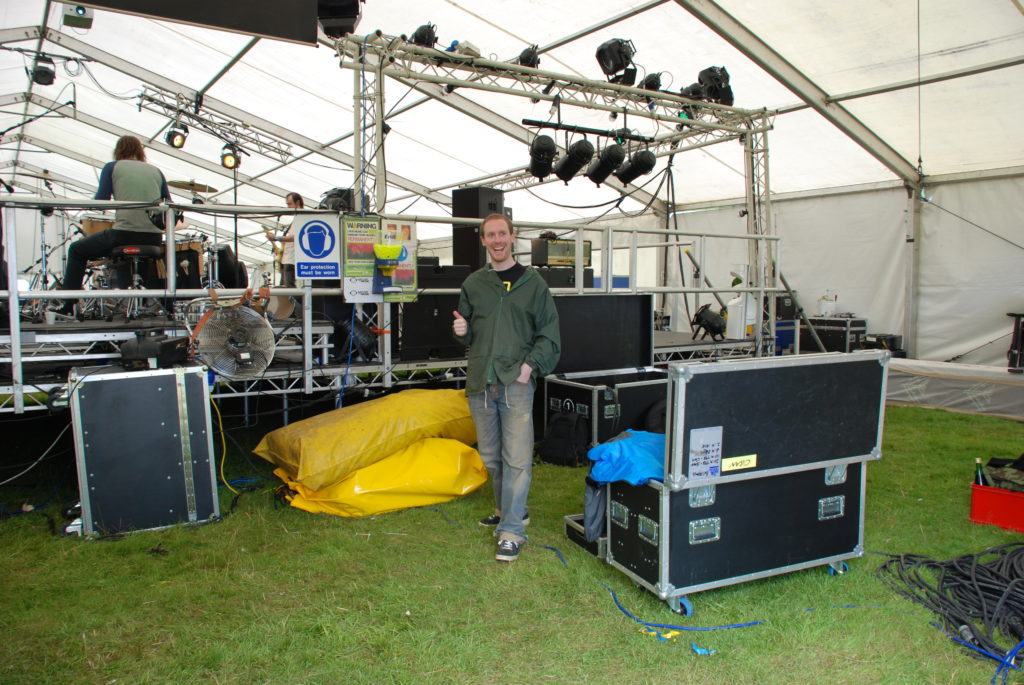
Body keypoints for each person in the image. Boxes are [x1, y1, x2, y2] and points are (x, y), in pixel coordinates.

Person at [452, 213, 560, 562]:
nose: (497, 240)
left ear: (512, 237)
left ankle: (512, 530)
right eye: (490, 235)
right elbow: (467, 330)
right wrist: (461, 332)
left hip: (515, 382)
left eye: (502, 234)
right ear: (483, 241)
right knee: (491, 458)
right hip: (481, 381)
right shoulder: (474, 284)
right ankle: (506, 509)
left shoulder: (534, 285)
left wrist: (528, 368)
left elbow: (550, 335)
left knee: (516, 458)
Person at [58, 135, 171, 315]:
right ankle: (170, 307)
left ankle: (68, 305)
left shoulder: (112, 167)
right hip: (153, 237)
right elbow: (168, 204)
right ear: (140, 152)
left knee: (77, 250)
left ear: (118, 151)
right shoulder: (156, 171)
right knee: (146, 262)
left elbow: (101, 201)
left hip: (124, 233)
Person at [265, 192, 302, 287]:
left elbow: (295, 237)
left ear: (297, 203)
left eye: (289, 204)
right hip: (288, 259)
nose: (288, 207)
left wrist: (276, 238)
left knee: (289, 287)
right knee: (284, 287)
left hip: (292, 259)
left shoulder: (301, 217)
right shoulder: (296, 218)